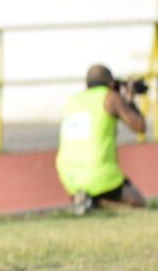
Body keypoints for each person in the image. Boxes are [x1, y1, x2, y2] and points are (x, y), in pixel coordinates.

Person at [56, 64, 147, 214]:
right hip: (99, 172)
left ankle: (87, 200)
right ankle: (93, 201)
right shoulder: (110, 97)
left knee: (99, 194)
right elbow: (140, 126)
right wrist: (129, 100)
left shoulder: (73, 100)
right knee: (138, 204)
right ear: (111, 83)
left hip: (67, 175)